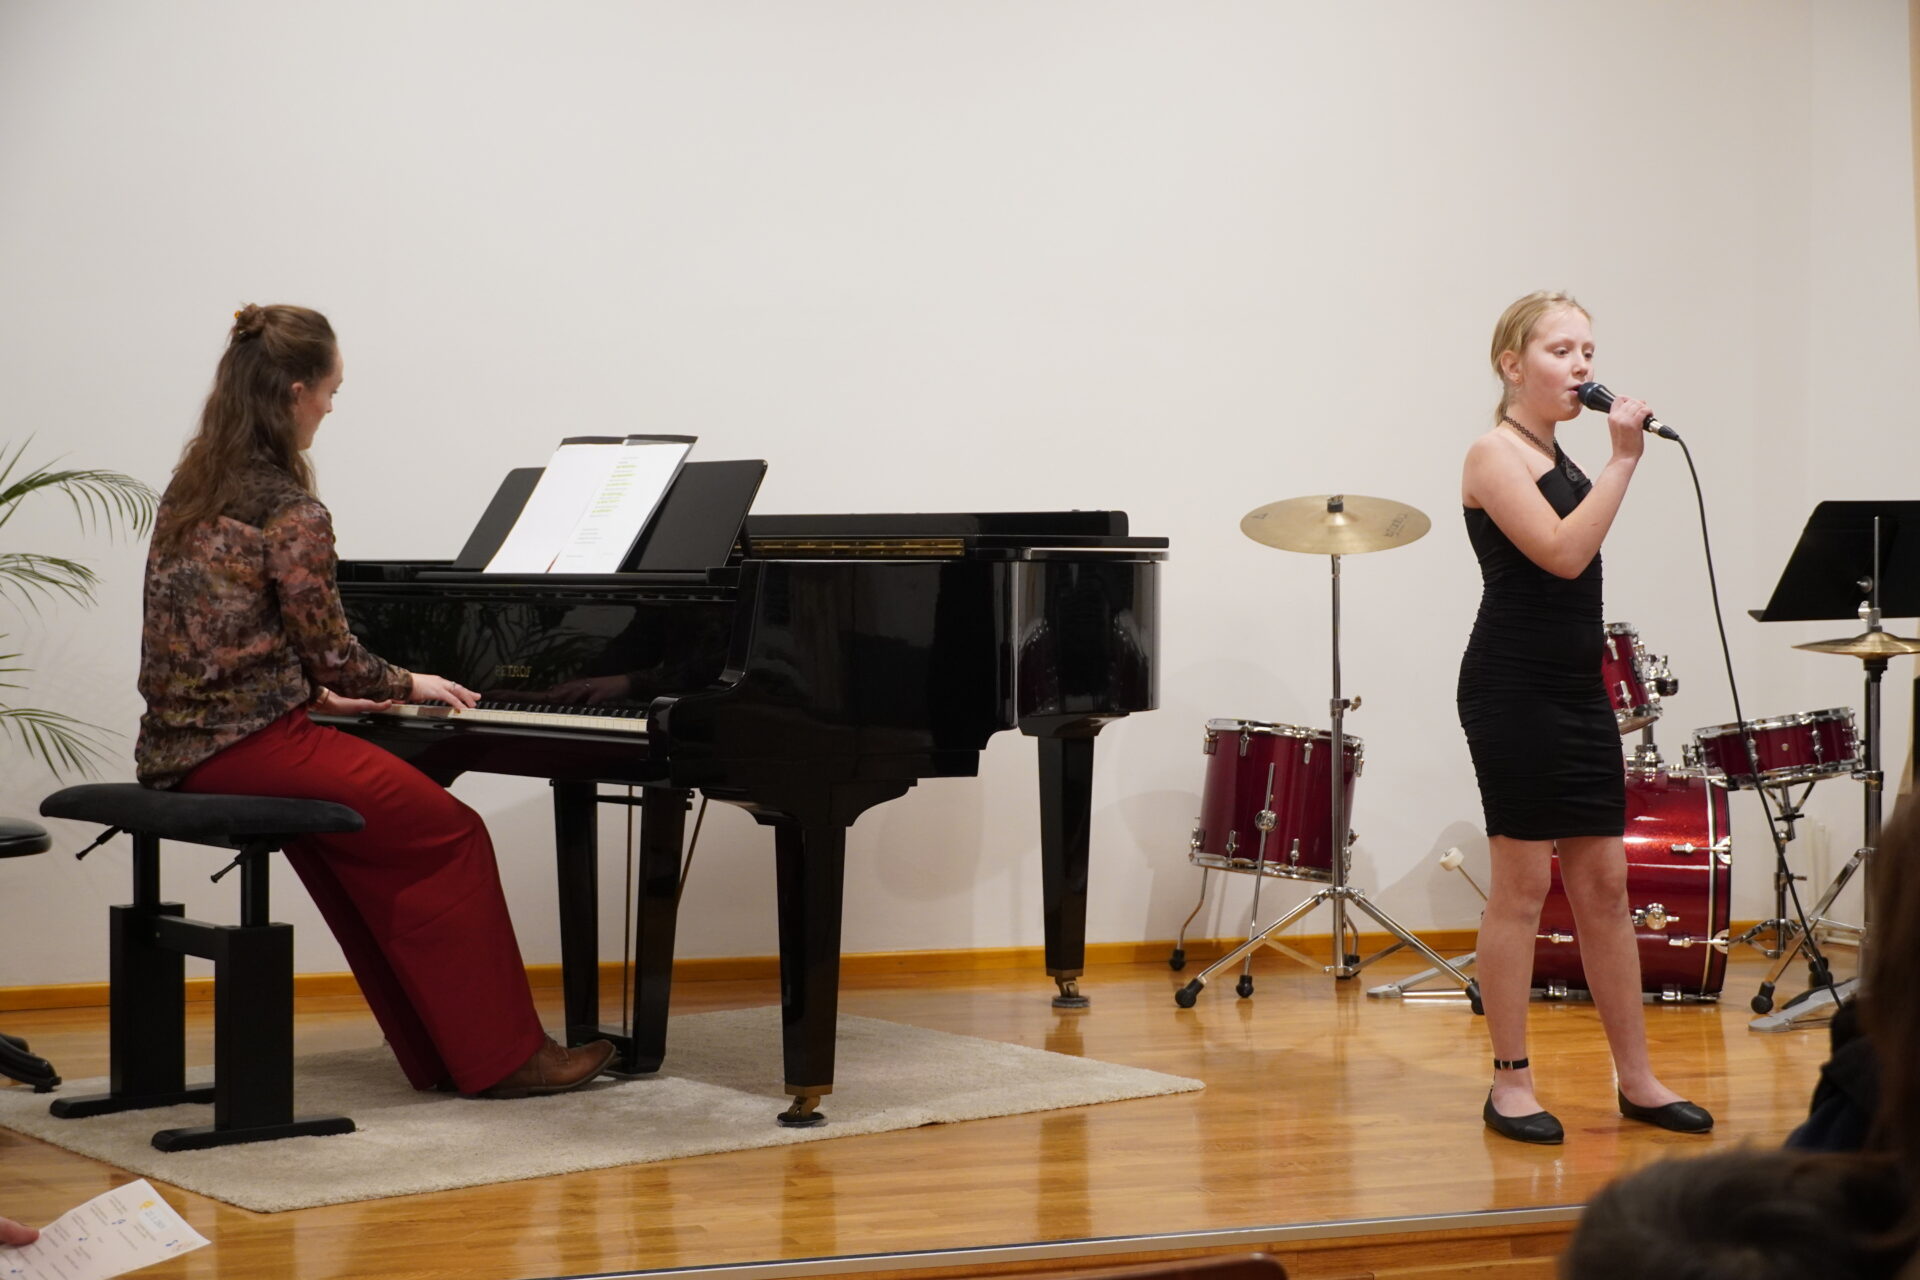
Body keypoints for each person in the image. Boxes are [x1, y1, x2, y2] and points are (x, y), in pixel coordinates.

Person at [135, 304, 614, 1100]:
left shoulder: (194, 491)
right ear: (295, 392)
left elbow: (209, 639)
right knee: (452, 834)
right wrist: (405, 684)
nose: (330, 407)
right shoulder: (293, 510)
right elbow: (334, 653)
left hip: (178, 747)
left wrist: (315, 694)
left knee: (362, 839)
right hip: (253, 747)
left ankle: (442, 1057)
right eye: (331, 390)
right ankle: (506, 1059)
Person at [1456, 290, 1711, 1143]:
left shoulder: (1554, 454)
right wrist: (1624, 461)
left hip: (1574, 688)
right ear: (1512, 364)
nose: (1582, 366)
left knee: (1605, 886)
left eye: (1588, 352)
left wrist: (1610, 462)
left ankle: (1636, 1079)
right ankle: (1511, 1082)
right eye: (1561, 350)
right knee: (1522, 888)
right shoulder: (1493, 453)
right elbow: (1564, 555)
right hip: (1513, 690)